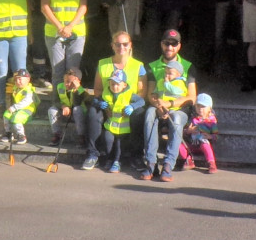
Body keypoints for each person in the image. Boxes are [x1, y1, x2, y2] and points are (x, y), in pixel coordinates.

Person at [84, 31, 147, 170]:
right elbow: (98, 90)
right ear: (112, 46)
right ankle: (92, 154)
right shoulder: (102, 64)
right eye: (117, 44)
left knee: (139, 114)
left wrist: (131, 106)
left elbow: (142, 92)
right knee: (93, 113)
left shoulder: (138, 65)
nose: (121, 47)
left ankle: (136, 156)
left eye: (125, 44)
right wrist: (105, 107)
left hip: (128, 106)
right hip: (108, 104)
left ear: (130, 45)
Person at [140, 29, 197, 181]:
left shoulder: (188, 66)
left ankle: (168, 164)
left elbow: (192, 97)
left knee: (177, 118)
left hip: (179, 109)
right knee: (149, 114)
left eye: (174, 44)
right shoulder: (151, 66)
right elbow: (150, 94)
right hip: (158, 106)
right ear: (161, 44)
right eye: (167, 43)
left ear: (179, 46)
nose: (170, 47)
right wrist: (159, 106)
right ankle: (150, 162)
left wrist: (170, 104)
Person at [41, 0, 88, 83]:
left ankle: (73, 103)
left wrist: (70, 27)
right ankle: (57, 103)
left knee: (73, 72)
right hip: (54, 32)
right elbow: (44, 6)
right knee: (57, 71)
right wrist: (60, 27)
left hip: (76, 32)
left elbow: (83, 6)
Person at [91, 68, 145, 174]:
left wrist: (132, 106)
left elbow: (142, 101)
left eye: (117, 84)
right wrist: (99, 103)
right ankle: (110, 159)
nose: (114, 87)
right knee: (108, 141)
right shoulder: (106, 92)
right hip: (110, 125)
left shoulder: (129, 94)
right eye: (112, 84)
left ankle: (117, 161)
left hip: (123, 127)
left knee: (120, 145)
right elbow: (94, 100)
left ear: (124, 85)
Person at [49, 66, 90, 148]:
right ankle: (57, 134)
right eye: (65, 81)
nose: (67, 84)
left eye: (70, 82)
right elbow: (55, 100)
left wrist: (76, 89)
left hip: (77, 115)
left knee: (77, 109)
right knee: (51, 110)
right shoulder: (59, 86)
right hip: (65, 112)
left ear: (77, 81)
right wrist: (62, 106)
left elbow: (78, 102)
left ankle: (81, 136)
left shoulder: (82, 91)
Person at [178, 92, 219, 174]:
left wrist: (210, 136)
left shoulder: (211, 121)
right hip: (192, 144)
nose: (200, 109)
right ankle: (188, 160)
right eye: (198, 106)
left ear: (209, 108)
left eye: (203, 107)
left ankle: (211, 163)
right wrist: (189, 131)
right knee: (179, 145)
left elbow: (216, 135)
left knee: (204, 143)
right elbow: (185, 132)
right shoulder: (192, 119)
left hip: (203, 144)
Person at [2, 69, 36, 143]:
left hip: (28, 110)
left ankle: (21, 135)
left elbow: (26, 102)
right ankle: (8, 132)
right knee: (6, 114)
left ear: (28, 79)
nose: (18, 81)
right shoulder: (15, 88)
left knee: (17, 117)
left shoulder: (28, 90)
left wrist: (14, 107)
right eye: (16, 79)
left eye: (20, 79)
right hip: (17, 108)